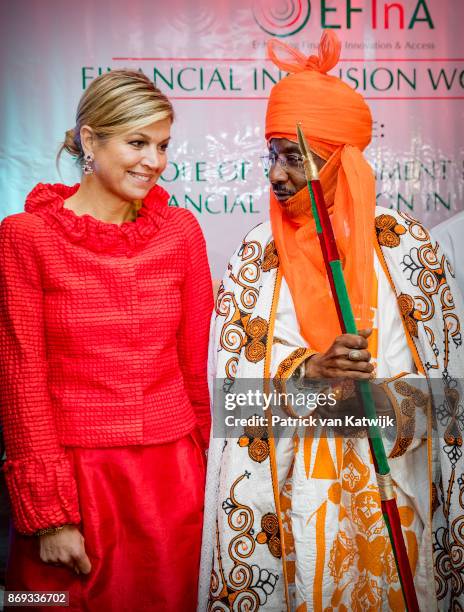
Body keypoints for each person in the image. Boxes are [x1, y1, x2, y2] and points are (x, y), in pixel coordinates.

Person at [198, 31, 464, 611]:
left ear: (341, 157)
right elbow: (231, 406)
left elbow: (452, 404)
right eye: (271, 156)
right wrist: (310, 372)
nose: (275, 175)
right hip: (296, 506)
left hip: (401, 491)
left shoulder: (407, 250)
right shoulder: (255, 257)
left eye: (294, 157)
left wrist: (386, 406)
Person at [0, 69, 213, 611]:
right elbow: (22, 379)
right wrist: (49, 515)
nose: (154, 161)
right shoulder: (25, 238)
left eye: (162, 145)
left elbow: (200, 369)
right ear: (90, 141)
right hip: (76, 482)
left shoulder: (182, 232)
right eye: (137, 142)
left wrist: (221, 479)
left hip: (173, 482)